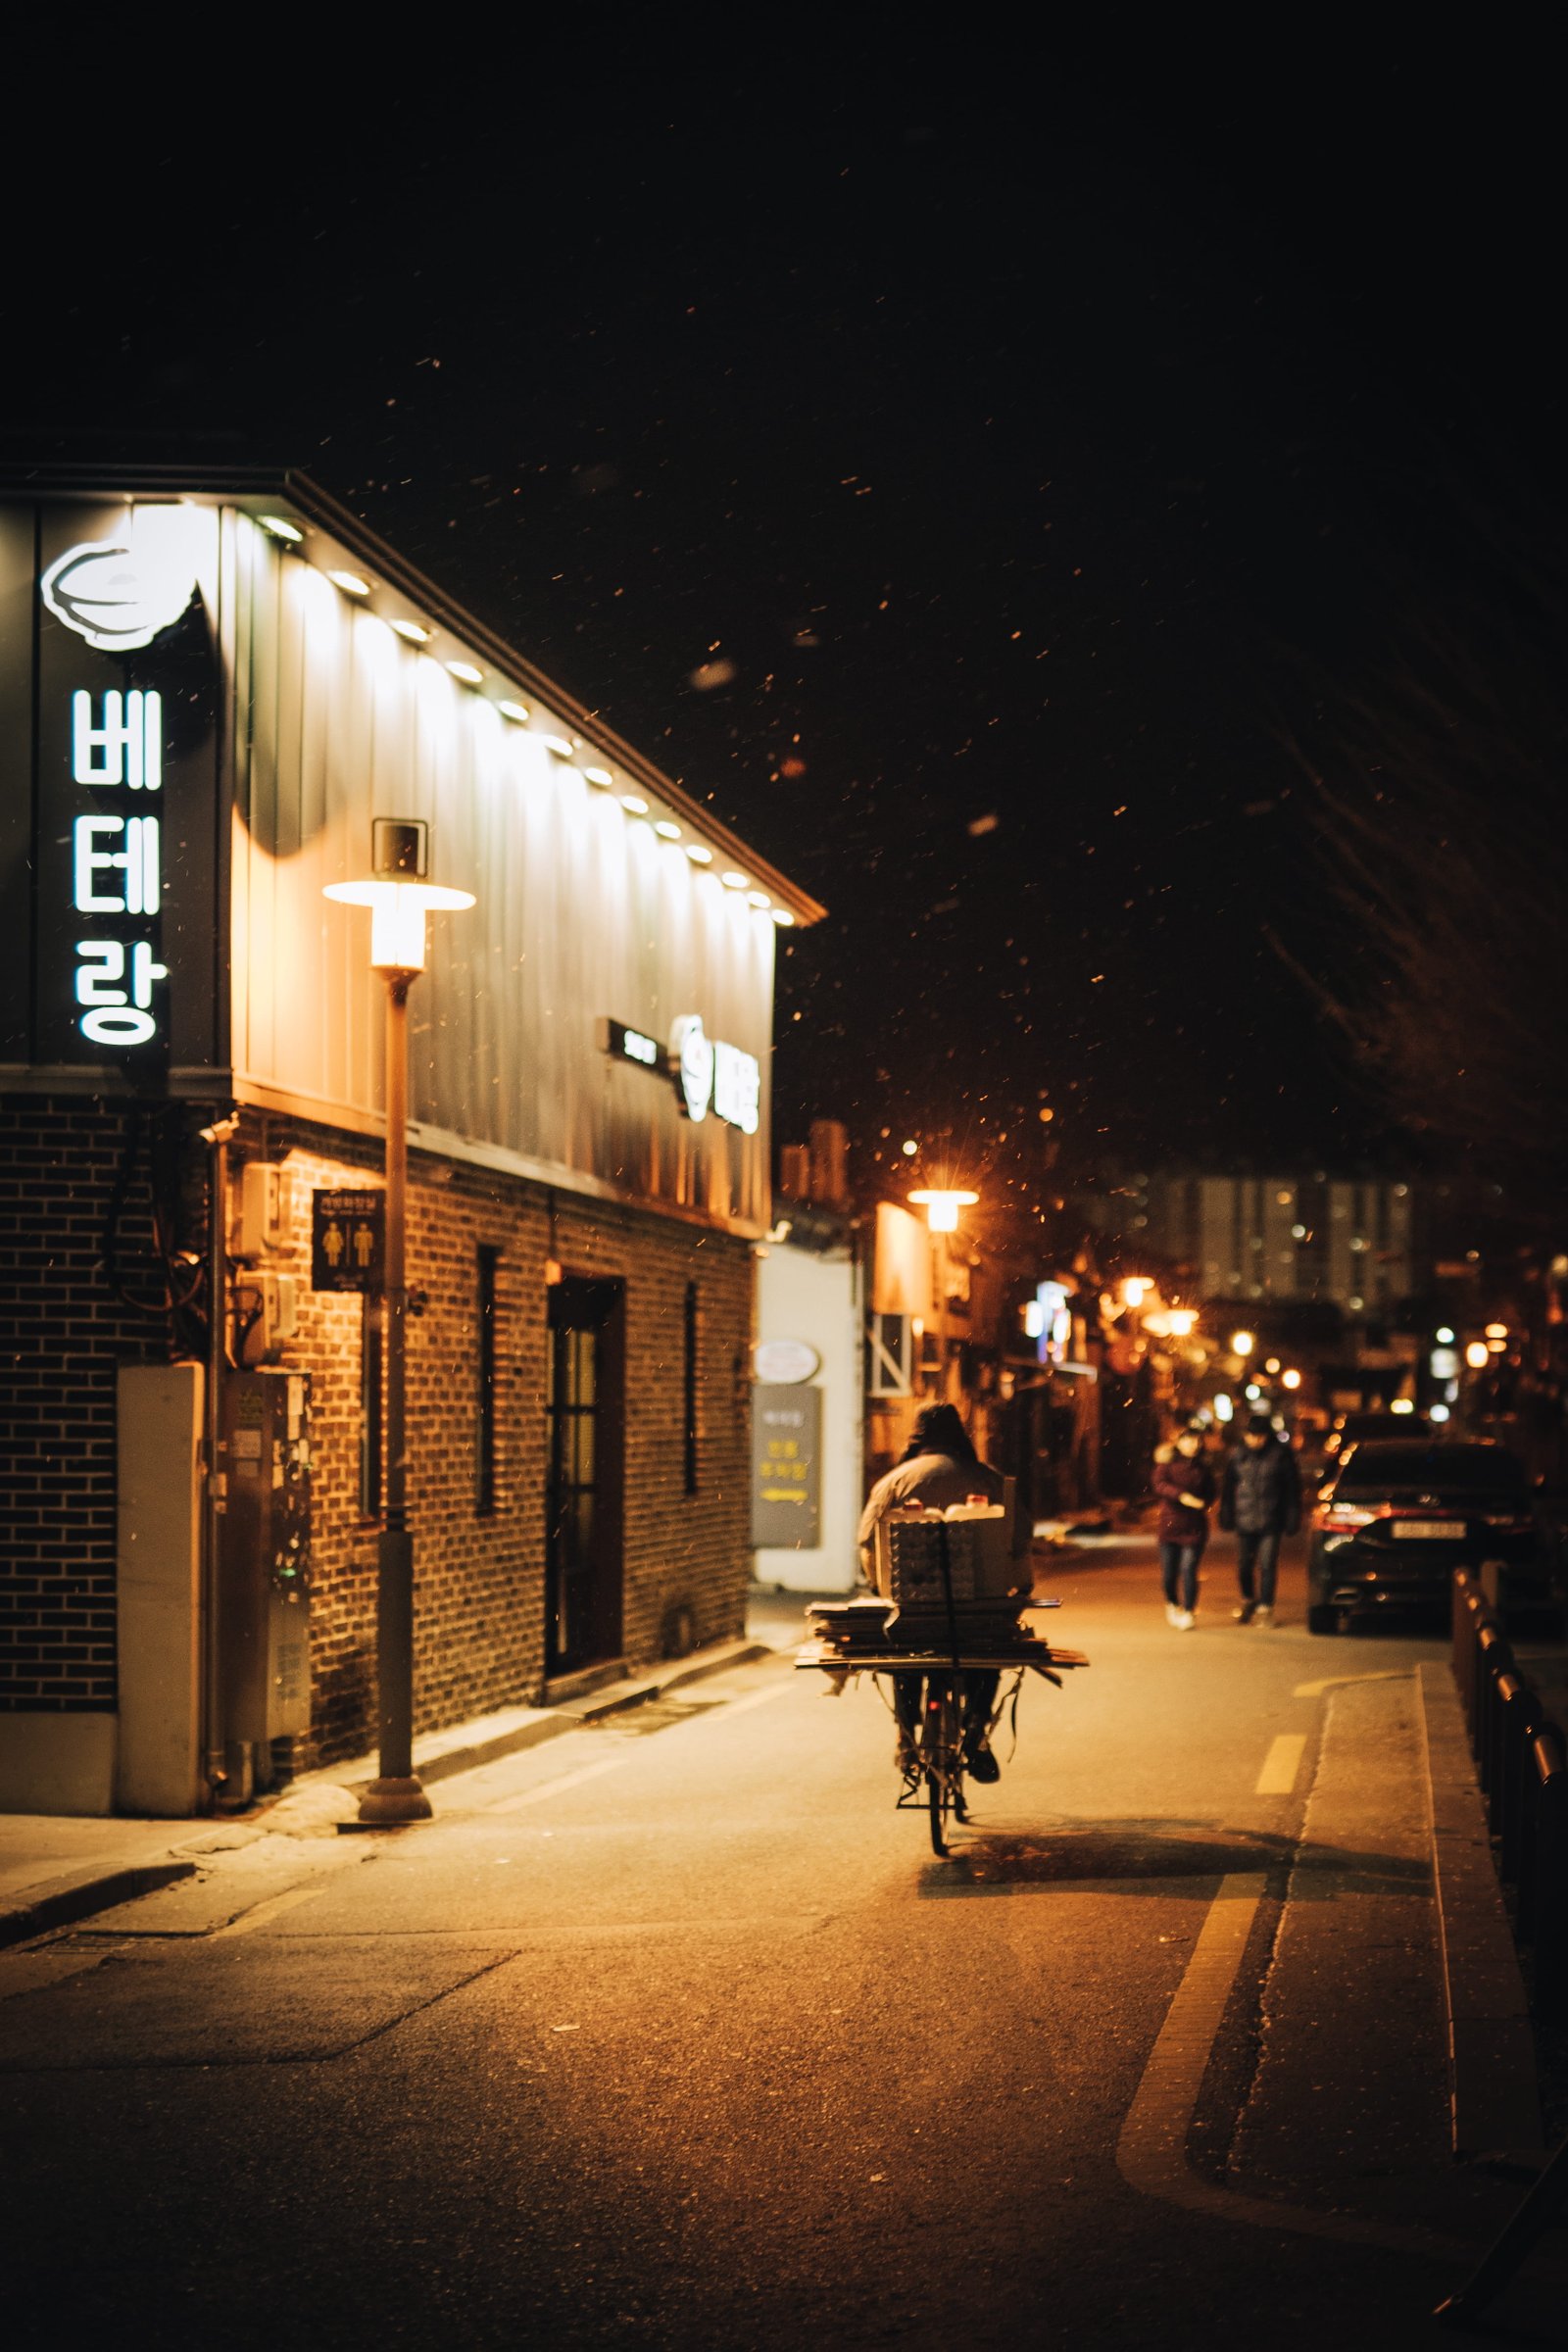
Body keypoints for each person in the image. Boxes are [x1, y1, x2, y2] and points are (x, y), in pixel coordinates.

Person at [857, 1402, 1008, 1783]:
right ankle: (975, 1730)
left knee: (905, 1660)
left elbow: (866, 1543)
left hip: (914, 1612)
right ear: (961, 1434)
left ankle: (906, 1738)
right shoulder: (988, 1479)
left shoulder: (894, 1481)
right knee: (986, 1659)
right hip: (976, 1614)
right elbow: (1017, 1542)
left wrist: (881, 1587)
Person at [1219, 1412, 1301, 1625]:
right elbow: (1228, 1488)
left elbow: (1292, 1489)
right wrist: (1226, 1512)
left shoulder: (1280, 1456)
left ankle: (1266, 1607)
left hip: (1271, 1520)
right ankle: (1248, 1599)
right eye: (1251, 1435)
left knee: (1267, 1564)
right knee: (1244, 1565)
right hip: (1245, 1520)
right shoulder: (1237, 1456)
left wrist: (1292, 1516)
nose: (1255, 1440)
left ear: (1267, 1436)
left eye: (1259, 1436)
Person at [1152, 1419, 1215, 1629]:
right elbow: (1159, 1485)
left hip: (1194, 1527)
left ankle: (1189, 1611)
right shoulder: (1167, 1463)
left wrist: (1204, 1503)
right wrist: (1181, 1496)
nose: (1193, 1444)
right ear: (1179, 1443)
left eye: (1196, 1440)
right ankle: (1172, 1603)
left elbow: (1212, 1492)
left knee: (1189, 1569)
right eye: (1188, 1440)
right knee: (1169, 1573)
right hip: (1170, 1525)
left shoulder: (1203, 1467)